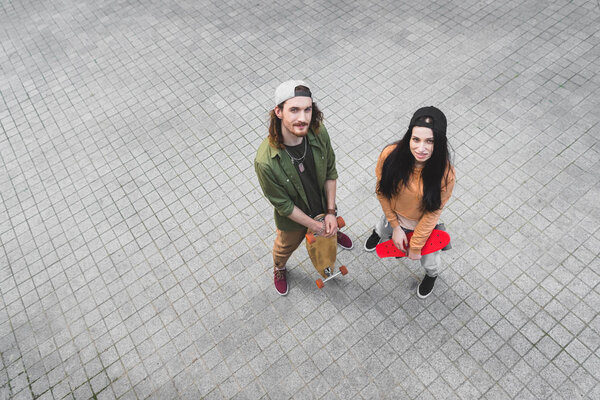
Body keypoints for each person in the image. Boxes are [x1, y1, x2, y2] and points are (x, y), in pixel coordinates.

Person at [254, 80, 353, 295]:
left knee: (331, 225)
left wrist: (329, 213)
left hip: (322, 204)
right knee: (284, 247)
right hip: (294, 220)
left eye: (307, 109)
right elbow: (284, 206)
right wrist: (315, 227)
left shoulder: (319, 132)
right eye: (294, 110)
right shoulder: (265, 161)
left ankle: (332, 233)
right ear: (278, 111)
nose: (303, 118)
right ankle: (279, 268)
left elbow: (330, 172)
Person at [367, 106, 455, 298]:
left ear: (438, 143)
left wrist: (415, 247)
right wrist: (396, 227)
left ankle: (432, 276)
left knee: (429, 261)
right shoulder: (390, 155)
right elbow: (381, 193)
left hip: (422, 224)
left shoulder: (445, 175)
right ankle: (377, 234)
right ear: (409, 137)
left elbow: (432, 213)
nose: (421, 148)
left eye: (429, 141)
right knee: (381, 229)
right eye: (416, 139)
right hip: (393, 215)